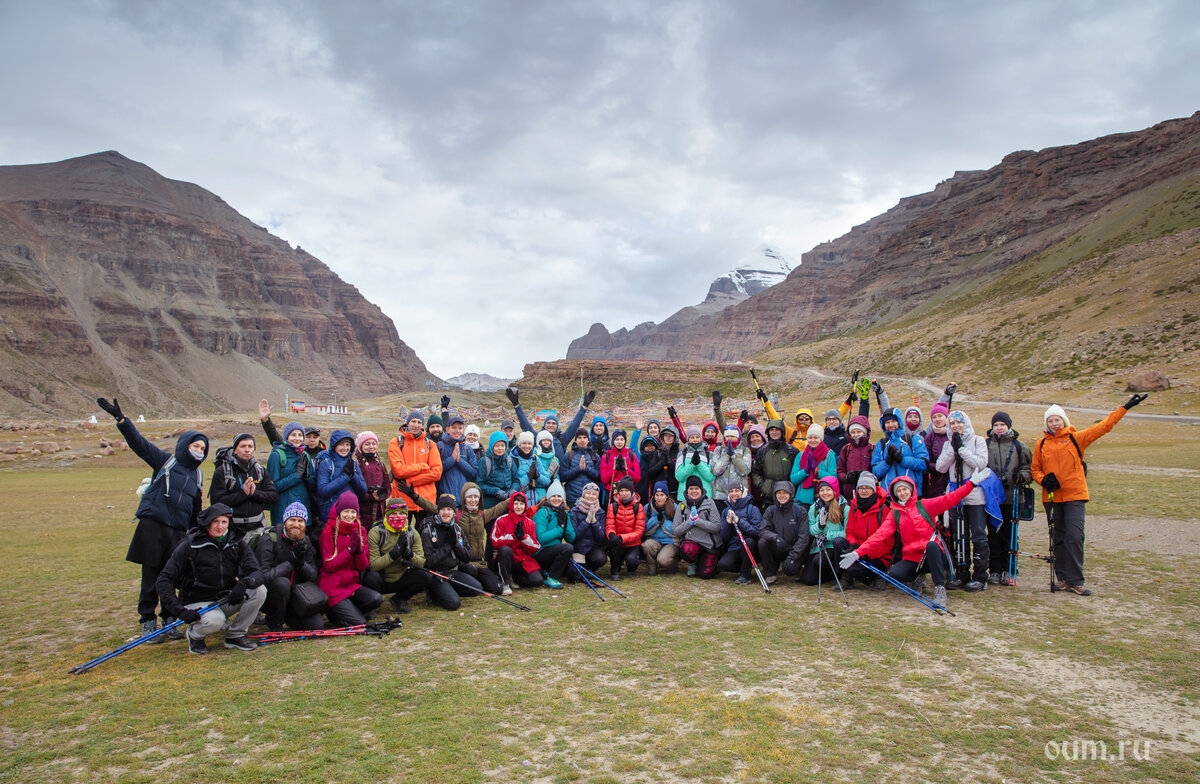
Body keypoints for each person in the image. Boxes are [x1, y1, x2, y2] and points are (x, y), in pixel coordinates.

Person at [99, 396, 209, 640]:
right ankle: (148, 621)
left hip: (178, 533)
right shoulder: (166, 462)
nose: (199, 451)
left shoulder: (198, 476)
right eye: (195, 446)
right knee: (150, 576)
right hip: (153, 527)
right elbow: (139, 444)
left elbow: (195, 510)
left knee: (172, 577)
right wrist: (122, 420)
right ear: (185, 445)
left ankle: (170, 620)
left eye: (202, 448)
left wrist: (201, 530)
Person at [1031, 395, 1144, 596]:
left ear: (1063, 421)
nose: (1054, 423)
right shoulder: (1041, 444)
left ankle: (1075, 581)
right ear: (1046, 423)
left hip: (1074, 496)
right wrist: (1043, 480)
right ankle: (1063, 579)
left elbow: (1104, 426)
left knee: (1074, 537)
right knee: (1057, 539)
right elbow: (1035, 469)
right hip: (1052, 498)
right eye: (1050, 420)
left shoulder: (1076, 437)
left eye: (1057, 419)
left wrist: (1125, 407)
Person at [840, 470, 990, 608]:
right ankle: (917, 577)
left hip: (933, 554)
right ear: (895, 494)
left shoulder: (925, 505)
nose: (902, 493)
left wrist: (971, 484)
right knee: (894, 574)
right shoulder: (895, 514)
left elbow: (951, 498)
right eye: (899, 490)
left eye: (905, 489)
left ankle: (939, 588)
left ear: (911, 489)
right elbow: (880, 535)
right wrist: (857, 553)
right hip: (912, 557)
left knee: (931, 545)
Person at [156, 503, 267, 654]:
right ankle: (195, 635)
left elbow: (257, 572)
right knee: (216, 620)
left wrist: (243, 583)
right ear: (207, 522)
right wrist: (179, 611)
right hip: (196, 602)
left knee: (259, 591)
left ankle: (235, 636)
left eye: (224, 522)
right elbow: (164, 579)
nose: (220, 527)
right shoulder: (190, 544)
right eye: (215, 522)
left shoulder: (236, 542)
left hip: (225, 598)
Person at [935, 411, 990, 591]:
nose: (956, 426)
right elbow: (940, 467)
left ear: (966, 424)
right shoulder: (948, 445)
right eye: (952, 424)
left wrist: (962, 450)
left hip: (974, 494)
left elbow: (980, 463)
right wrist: (953, 448)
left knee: (979, 534)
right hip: (955, 494)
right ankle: (962, 573)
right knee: (959, 536)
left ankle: (981, 576)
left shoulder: (977, 441)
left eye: (959, 423)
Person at [255, 501, 324, 632]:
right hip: (271, 596)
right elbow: (263, 576)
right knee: (282, 583)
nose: (296, 524)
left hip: (295, 595)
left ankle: (288, 617)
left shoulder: (305, 541)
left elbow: (313, 575)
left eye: (300, 520)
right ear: (285, 520)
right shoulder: (270, 539)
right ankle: (274, 622)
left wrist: (301, 563)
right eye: (292, 520)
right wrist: (290, 563)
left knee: (316, 625)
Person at [319, 491, 383, 625]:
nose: (349, 516)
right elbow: (329, 566)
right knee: (360, 622)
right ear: (339, 512)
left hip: (351, 584)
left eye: (353, 512)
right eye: (346, 511)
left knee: (377, 599)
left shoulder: (361, 530)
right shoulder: (328, 531)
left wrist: (359, 551)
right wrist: (349, 551)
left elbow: (362, 566)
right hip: (333, 586)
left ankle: (347, 609)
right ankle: (334, 611)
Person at [984, 411, 1032, 585]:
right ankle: (995, 570)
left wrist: (1023, 476)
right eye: (996, 425)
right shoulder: (985, 444)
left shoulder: (1020, 446)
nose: (999, 428)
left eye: (1002, 424)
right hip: (991, 499)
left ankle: (1010, 570)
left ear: (1009, 426)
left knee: (1010, 535)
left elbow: (1028, 468)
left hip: (1013, 498)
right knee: (993, 535)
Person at [414, 494, 485, 609]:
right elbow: (429, 561)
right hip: (437, 574)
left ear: (454, 513)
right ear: (438, 511)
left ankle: (449, 590)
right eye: (443, 509)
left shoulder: (457, 529)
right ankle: (434, 592)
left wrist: (456, 545)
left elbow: (467, 557)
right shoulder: (429, 531)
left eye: (449, 510)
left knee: (477, 588)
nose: (446, 513)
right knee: (453, 604)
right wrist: (447, 546)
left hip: (453, 571)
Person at [208, 433, 279, 541]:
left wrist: (254, 493)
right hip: (233, 530)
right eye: (243, 446)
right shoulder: (222, 472)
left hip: (258, 529)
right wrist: (243, 494)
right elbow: (216, 501)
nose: (247, 450)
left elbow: (273, 496)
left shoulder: (260, 470)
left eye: (250, 446)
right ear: (235, 450)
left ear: (254, 450)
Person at [836, 473, 892, 589]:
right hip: (859, 548)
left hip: (877, 554)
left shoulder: (884, 508)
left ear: (873, 490)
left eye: (868, 488)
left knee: (853, 567)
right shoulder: (854, 505)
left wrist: (865, 553)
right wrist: (854, 544)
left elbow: (887, 540)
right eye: (861, 488)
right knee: (838, 542)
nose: (864, 491)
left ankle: (878, 576)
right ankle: (847, 578)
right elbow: (849, 530)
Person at [448, 482, 505, 594]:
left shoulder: (482, 515)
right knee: (474, 582)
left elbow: (498, 508)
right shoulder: (456, 515)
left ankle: (476, 583)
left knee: (497, 588)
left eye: (476, 497)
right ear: (464, 498)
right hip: (463, 563)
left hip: (480, 563)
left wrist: (514, 496)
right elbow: (435, 508)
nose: (473, 500)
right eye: (469, 497)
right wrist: (415, 497)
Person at [313, 430, 368, 537]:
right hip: (331, 515)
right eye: (341, 444)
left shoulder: (353, 464)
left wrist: (353, 476)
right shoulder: (326, 464)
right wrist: (346, 477)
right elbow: (323, 490)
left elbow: (363, 490)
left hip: (350, 515)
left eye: (347, 445)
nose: (345, 448)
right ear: (334, 445)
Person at [489, 491, 545, 593]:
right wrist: (513, 537)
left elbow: (536, 547)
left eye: (521, 504)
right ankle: (504, 582)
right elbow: (495, 541)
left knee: (537, 580)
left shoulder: (530, 523)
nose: (519, 507)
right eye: (516, 503)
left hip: (522, 559)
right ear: (511, 505)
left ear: (525, 505)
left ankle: (515, 578)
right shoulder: (501, 520)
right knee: (505, 550)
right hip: (505, 559)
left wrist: (523, 538)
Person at [796, 477, 848, 586]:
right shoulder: (814, 508)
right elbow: (809, 531)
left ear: (834, 490)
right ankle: (829, 575)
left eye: (828, 489)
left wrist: (827, 536)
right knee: (808, 580)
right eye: (822, 490)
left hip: (834, 547)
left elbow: (847, 532)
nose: (825, 493)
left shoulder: (844, 507)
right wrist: (819, 526)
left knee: (819, 561)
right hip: (818, 546)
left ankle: (838, 573)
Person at [388, 412, 443, 514]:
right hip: (402, 499)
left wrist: (409, 482)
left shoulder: (430, 445)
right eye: (413, 421)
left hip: (425, 501)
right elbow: (398, 471)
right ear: (407, 423)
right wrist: (423, 466)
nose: (416, 425)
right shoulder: (395, 443)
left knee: (425, 530)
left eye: (419, 422)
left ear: (422, 425)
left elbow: (436, 473)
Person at [757, 481, 807, 584]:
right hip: (778, 546)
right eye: (779, 493)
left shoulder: (800, 511)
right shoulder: (770, 510)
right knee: (762, 542)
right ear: (775, 495)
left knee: (790, 570)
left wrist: (792, 557)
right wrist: (775, 537)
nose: (782, 496)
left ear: (790, 494)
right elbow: (763, 530)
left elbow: (804, 537)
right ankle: (770, 574)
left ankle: (796, 569)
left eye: (785, 493)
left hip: (794, 550)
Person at [673, 475, 722, 579]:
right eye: (691, 489)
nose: (694, 491)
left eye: (696, 488)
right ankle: (692, 564)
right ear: (687, 490)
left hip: (709, 546)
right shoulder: (682, 505)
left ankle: (705, 563)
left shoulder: (710, 503)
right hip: (691, 544)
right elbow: (676, 530)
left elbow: (716, 526)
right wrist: (689, 522)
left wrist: (698, 521)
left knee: (705, 574)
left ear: (701, 489)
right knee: (687, 549)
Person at [266, 421, 314, 527]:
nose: (297, 438)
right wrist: (297, 475)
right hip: (282, 512)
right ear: (286, 436)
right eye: (293, 435)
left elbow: (312, 486)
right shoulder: (277, 455)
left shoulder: (306, 455)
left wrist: (307, 477)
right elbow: (274, 487)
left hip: (302, 510)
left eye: (300, 435)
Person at [530, 480, 575, 589]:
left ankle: (548, 572)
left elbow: (571, 538)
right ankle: (550, 577)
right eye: (553, 496)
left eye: (559, 496)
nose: (556, 499)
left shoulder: (563, 513)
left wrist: (566, 523)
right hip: (541, 552)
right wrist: (559, 529)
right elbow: (540, 538)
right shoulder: (542, 513)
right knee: (568, 548)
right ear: (548, 498)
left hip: (556, 553)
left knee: (573, 572)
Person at [871, 408, 927, 494]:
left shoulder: (912, 439)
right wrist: (887, 462)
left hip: (911, 492)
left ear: (899, 422)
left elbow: (923, 463)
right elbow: (875, 473)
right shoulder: (881, 444)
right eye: (887, 422)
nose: (890, 425)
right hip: (888, 493)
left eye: (893, 421)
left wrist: (902, 460)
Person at [751, 420, 798, 511]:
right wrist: (763, 485)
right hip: (768, 495)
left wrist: (791, 487)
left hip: (787, 494)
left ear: (782, 431)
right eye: (771, 429)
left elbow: (797, 473)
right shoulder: (762, 451)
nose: (774, 432)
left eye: (777, 429)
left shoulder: (792, 451)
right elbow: (755, 472)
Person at [721, 483, 762, 585]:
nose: (734, 494)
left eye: (737, 491)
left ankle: (745, 575)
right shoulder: (726, 511)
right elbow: (723, 537)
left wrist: (739, 521)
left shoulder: (752, 509)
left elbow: (757, 532)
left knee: (748, 543)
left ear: (743, 492)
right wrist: (727, 523)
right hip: (735, 547)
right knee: (724, 564)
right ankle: (745, 565)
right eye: (731, 491)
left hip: (750, 546)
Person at [790, 425, 837, 513]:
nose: (813, 440)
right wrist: (806, 471)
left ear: (821, 439)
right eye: (810, 437)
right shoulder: (801, 455)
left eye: (816, 437)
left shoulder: (829, 455)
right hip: (803, 499)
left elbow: (833, 478)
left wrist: (817, 470)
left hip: (823, 498)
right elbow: (793, 479)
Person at [605, 477, 646, 580]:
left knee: (631, 560)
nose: (624, 493)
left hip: (633, 543)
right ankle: (615, 570)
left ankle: (631, 569)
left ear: (631, 491)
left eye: (626, 490)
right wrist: (611, 534)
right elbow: (610, 524)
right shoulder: (613, 506)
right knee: (613, 545)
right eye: (621, 491)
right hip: (617, 542)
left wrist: (622, 538)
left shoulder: (638, 507)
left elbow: (639, 531)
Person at [436, 415, 478, 503]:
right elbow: (436, 472)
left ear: (463, 430)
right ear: (447, 429)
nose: (457, 431)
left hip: (464, 501)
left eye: (460, 428)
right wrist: (452, 459)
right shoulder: (439, 447)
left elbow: (474, 474)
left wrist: (459, 461)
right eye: (454, 428)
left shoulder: (468, 449)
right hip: (444, 500)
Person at [354, 431, 391, 528]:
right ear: (361, 446)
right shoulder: (356, 465)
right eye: (367, 444)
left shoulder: (380, 464)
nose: (371, 447)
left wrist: (383, 495)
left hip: (380, 511)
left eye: (374, 443)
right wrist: (370, 497)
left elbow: (387, 487)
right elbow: (354, 490)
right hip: (362, 512)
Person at [570, 482, 609, 574]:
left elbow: (601, 537)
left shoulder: (601, 513)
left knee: (600, 558)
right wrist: (586, 522)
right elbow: (574, 536)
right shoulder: (574, 511)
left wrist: (594, 522)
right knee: (574, 574)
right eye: (588, 493)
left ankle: (589, 570)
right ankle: (581, 570)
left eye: (594, 494)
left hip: (593, 547)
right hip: (578, 548)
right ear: (583, 495)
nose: (591, 496)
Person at [641, 481, 679, 575]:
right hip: (654, 539)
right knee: (646, 545)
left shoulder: (675, 507)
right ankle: (652, 568)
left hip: (670, 541)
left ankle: (673, 565)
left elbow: (678, 530)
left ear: (667, 496)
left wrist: (664, 523)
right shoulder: (648, 508)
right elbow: (644, 530)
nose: (659, 498)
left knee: (663, 560)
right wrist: (655, 521)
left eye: (662, 495)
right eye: (656, 495)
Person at [712, 425, 753, 510]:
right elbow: (715, 471)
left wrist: (734, 457)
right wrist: (727, 456)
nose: (729, 439)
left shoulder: (745, 450)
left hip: (739, 495)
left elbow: (745, 470)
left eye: (732, 436)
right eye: (727, 436)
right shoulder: (718, 450)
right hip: (720, 496)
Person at [476, 431, 520, 510]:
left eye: (502, 446)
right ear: (492, 446)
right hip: (490, 504)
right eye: (497, 446)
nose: (500, 448)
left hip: (507, 501)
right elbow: (479, 484)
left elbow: (516, 480)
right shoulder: (484, 461)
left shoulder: (509, 460)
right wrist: (495, 491)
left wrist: (513, 489)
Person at [560, 428, 601, 506]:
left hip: (591, 498)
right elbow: (562, 477)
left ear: (588, 440)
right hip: (573, 498)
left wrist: (586, 469)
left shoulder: (594, 456)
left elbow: (599, 476)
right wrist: (578, 469)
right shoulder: (569, 455)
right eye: (579, 438)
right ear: (575, 440)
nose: (582, 440)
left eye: (584, 438)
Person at [674, 425, 714, 503]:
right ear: (688, 439)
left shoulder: (709, 454)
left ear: (700, 438)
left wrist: (699, 464)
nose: (695, 440)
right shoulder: (682, 454)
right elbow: (679, 477)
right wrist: (691, 465)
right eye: (692, 437)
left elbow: (711, 477)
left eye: (697, 437)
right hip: (685, 497)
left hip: (705, 496)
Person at [836, 416, 873, 499]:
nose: (856, 435)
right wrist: (847, 477)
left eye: (859, 432)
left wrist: (867, 476)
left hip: (868, 490)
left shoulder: (871, 449)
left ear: (865, 432)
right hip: (850, 492)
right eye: (853, 432)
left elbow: (876, 472)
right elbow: (840, 471)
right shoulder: (846, 449)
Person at [513, 431, 552, 504]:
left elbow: (547, 481)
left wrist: (537, 476)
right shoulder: (513, 460)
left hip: (534, 500)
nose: (527, 446)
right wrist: (528, 477)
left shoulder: (535, 459)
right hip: (519, 502)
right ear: (519, 445)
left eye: (529, 443)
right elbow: (514, 485)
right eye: (524, 443)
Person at [600, 429, 640, 500]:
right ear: (613, 441)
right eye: (617, 439)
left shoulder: (632, 455)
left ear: (625, 441)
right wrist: (615, 469)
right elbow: (604, 479)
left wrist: (625, 469)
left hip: (627, 493)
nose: (619, 442)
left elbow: (637, 478)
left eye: (622, 439)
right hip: (611, 493)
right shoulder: (606, 456)